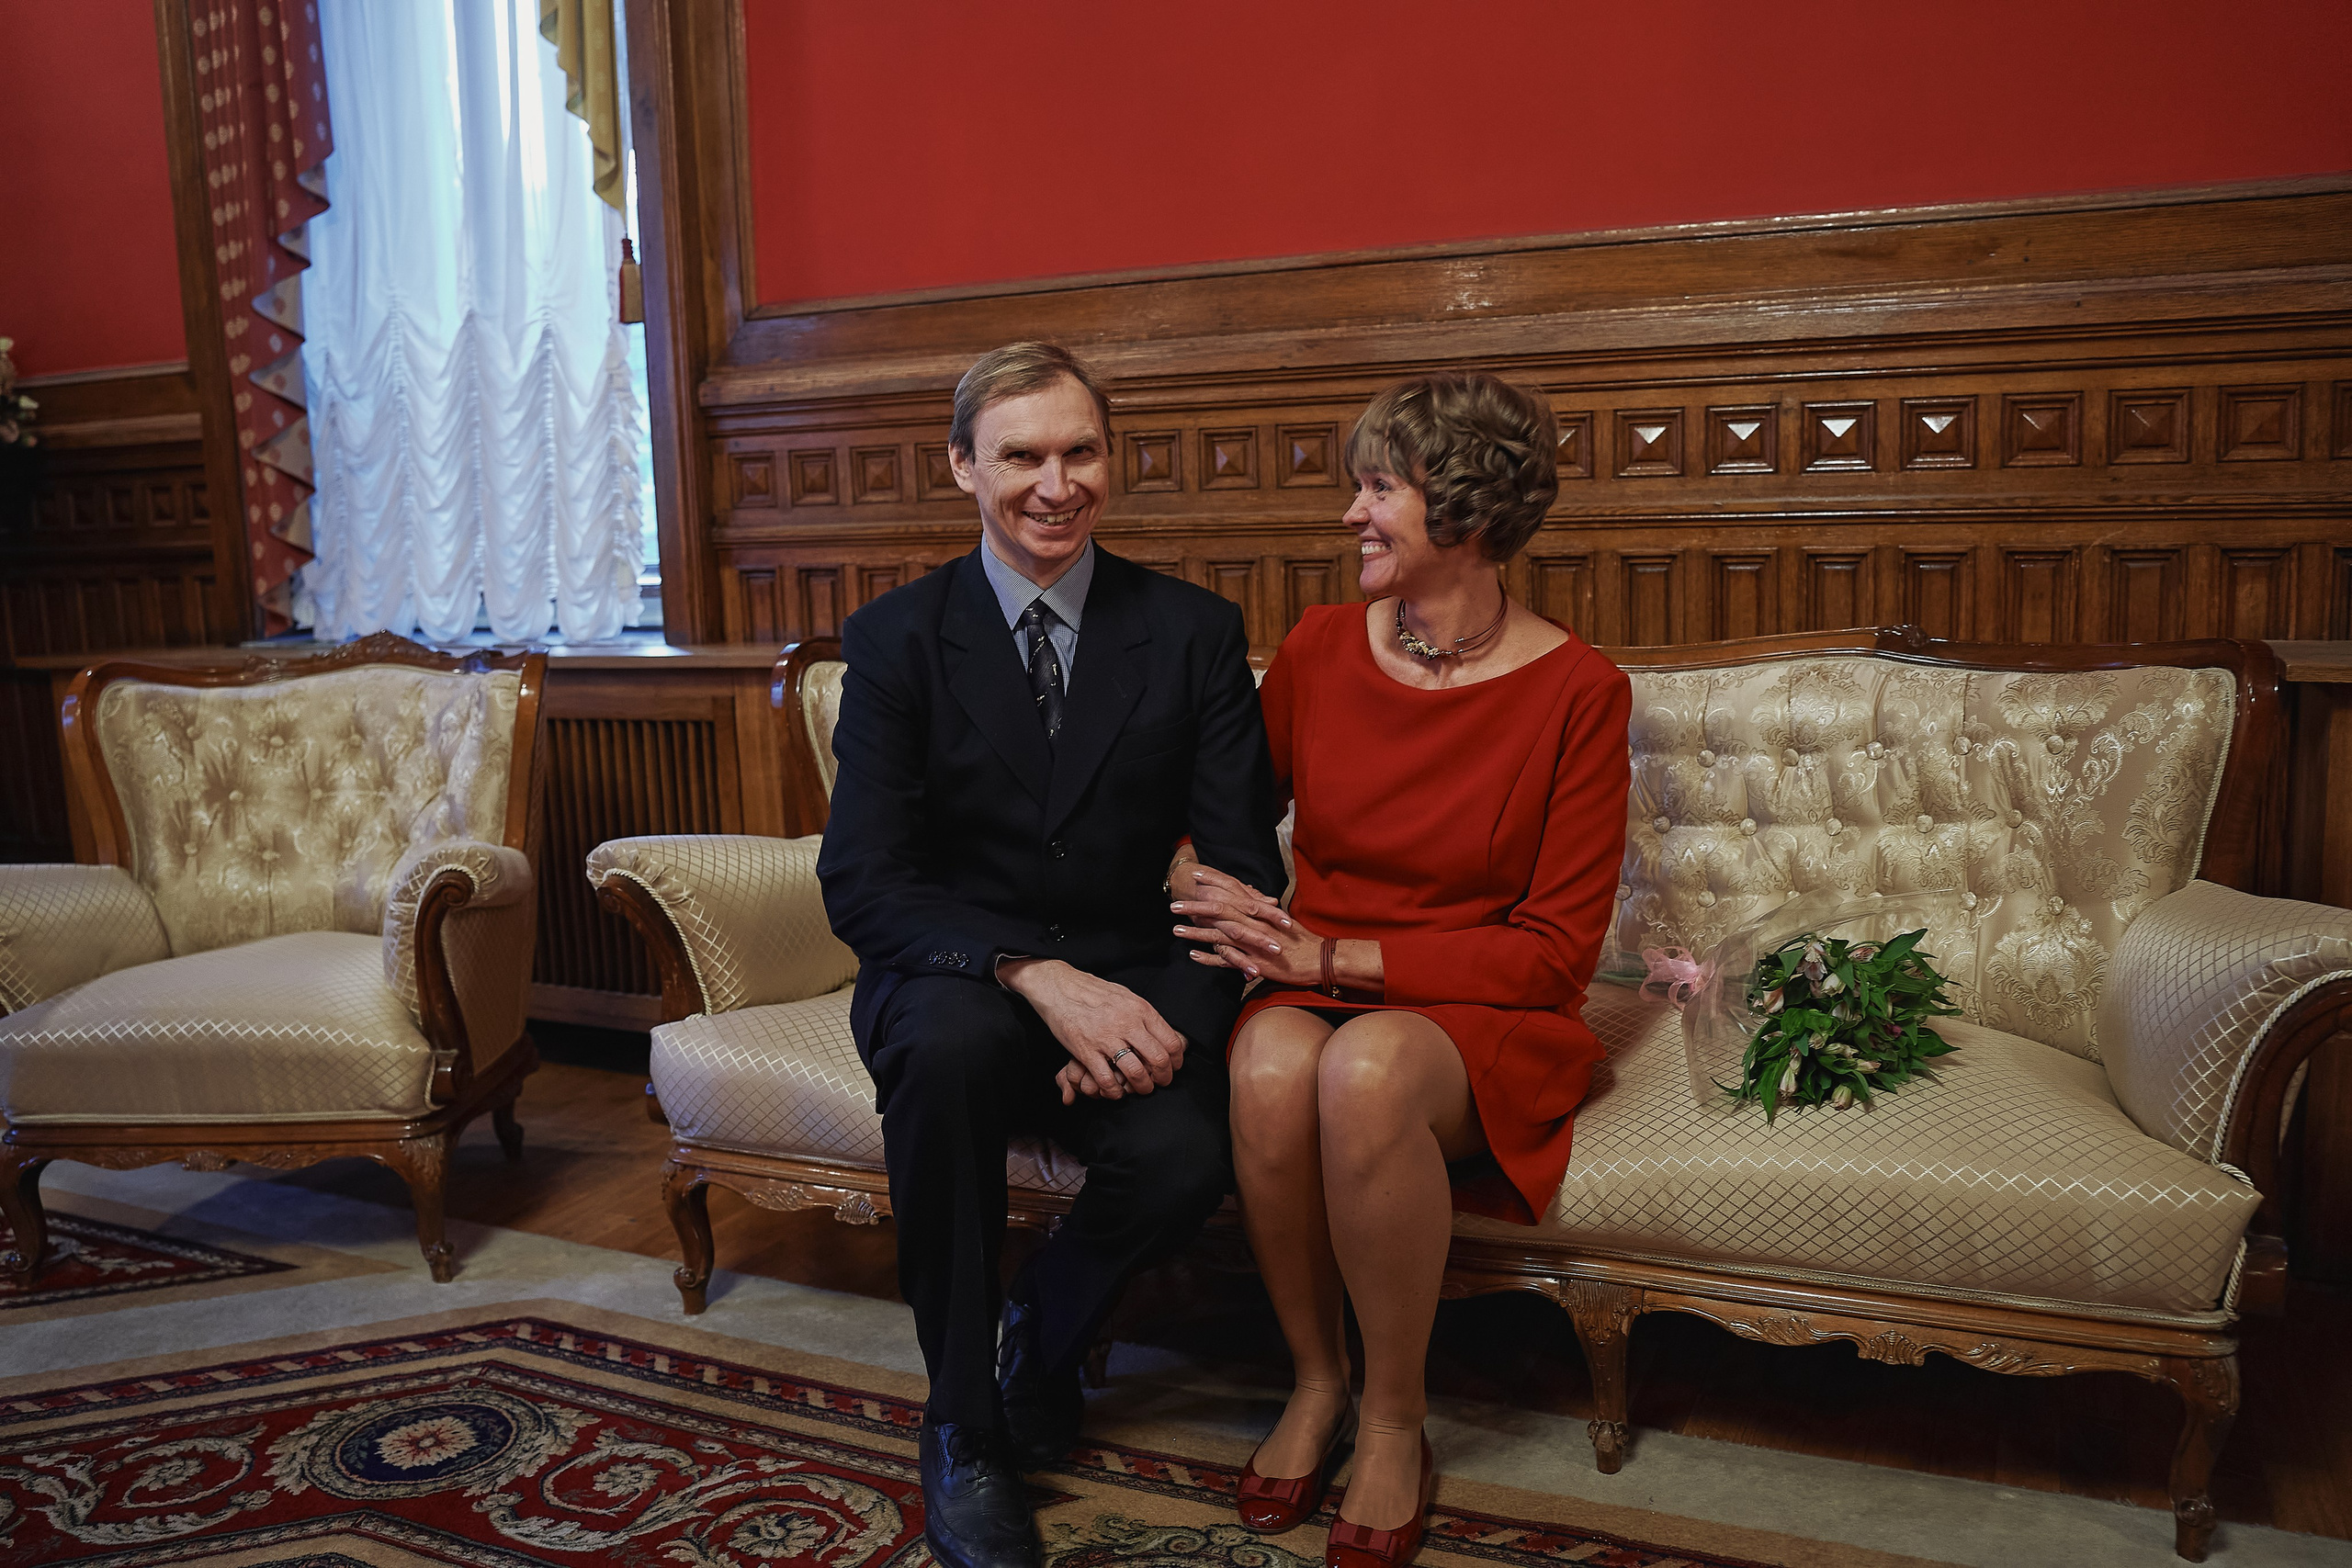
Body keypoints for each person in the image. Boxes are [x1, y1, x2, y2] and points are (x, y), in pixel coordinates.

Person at [817, 342, 1285, 1568]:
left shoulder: (1190, 634)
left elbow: (1245, 879)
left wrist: (1162, 1018)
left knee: (1186, 1153)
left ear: (1110, 462)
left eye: (1080, 452)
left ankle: (1043, 1320)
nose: (1055, 484)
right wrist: (1033, 976)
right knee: (955, 1054)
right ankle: (964, 1426)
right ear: (964, 465)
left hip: (1137, 984)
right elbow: (863, 881)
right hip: (955, 981)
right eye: (1022, 455)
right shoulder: (897, 640)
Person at [1169, 373, 1632, 1568]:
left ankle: (1393, 1418)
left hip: (1478, 1011)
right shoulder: (1323, 648)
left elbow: (1554, 956)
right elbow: (1223, 825)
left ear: (1465, 513)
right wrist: (1192, 879)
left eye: (1379, 490)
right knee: (1271, 1057)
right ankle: (1316, 1382)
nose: (1351, 517)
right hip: (1312, 985)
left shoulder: (1581, 693)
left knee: (1364, 1070)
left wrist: (1327, 950)